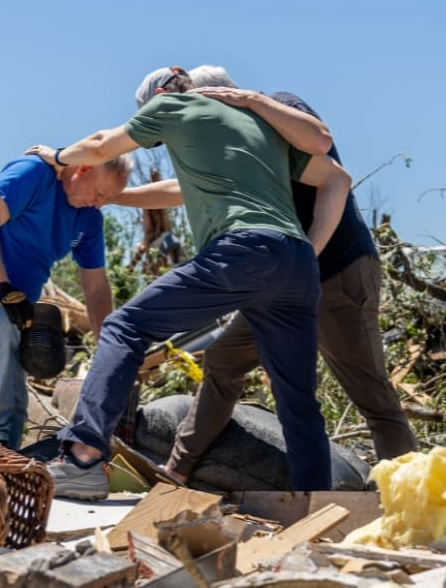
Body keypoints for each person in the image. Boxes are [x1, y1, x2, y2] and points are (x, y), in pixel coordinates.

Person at [27, 66, 352, 499]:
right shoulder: (256, 127)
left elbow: (102, 146)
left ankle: (82, 458)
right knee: (297, 397)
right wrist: (112, 196)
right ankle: (319, 505)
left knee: (125, 327)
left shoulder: (173, 106)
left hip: (240, 251)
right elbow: (336, 178)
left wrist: (58, 157)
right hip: (294, 263)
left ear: (160, 96)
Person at [131, 66, 420, 485]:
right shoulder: (234, 145)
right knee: (224, 359)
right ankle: (177, 470)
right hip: (282, 280)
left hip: (335, 272)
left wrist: (254, 101)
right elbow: (181, 188)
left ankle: (411, 499)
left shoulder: (279, 107)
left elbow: (329, 165)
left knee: (370, 395)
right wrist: (114, 196)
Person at [0, 153, 131, 448]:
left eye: (106, 199)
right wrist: (1, 288)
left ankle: (6, 452)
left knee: (14, 368)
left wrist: (107, 347)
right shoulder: (36, 174)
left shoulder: (88, 220)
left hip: (16, 308)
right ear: (83, 169)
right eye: (99, 193)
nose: (99, 203)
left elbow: (96, 287)